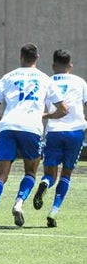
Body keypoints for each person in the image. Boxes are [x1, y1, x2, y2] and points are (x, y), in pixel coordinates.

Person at [0, 43, 66, 229]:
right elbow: (63, 108)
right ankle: (19, 203)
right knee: (30, 171)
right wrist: (47, 116)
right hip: (31, 127)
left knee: (1, 174)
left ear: (21, 57)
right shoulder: (45, 78)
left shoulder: (8, 76)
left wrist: (3, 121)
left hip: (8, 126)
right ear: (37, 58)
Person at [32, 49, 86, 227]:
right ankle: (54, 211)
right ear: (70, 65)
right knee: (67, 174)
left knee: (49, 173)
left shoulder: (47, 81)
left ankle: (45, 183)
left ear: (53, 65)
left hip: (54, 131)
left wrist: (45, 116)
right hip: (75, 131)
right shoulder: (80, 82)